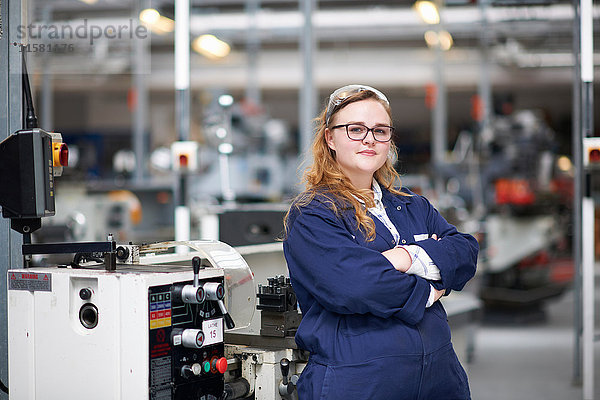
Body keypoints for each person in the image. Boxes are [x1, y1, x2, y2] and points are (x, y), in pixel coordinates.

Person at [282, 84, 478, 399]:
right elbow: (355, 285)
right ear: (330, 138)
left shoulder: (413, 205)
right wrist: (429, 289)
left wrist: (407, 256)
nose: (370, 139)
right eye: (356, 129)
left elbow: (465, 252)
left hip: (439, 378)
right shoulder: (313, 214)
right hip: (358, 381)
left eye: (380, 130)